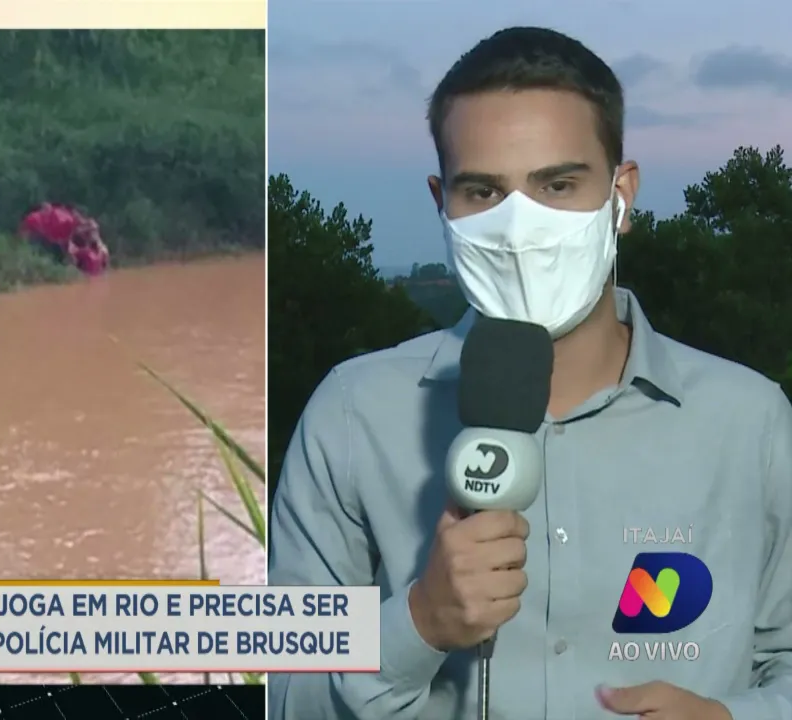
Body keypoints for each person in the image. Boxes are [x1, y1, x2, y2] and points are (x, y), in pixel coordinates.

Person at [267, 26, 791, 720]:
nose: (520, 227)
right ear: (441, 202)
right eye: (484, 192)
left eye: (558, 184)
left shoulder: (749, 421)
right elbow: (276, 691)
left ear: (621, 195)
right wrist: (416, 626)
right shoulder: (350, 414)